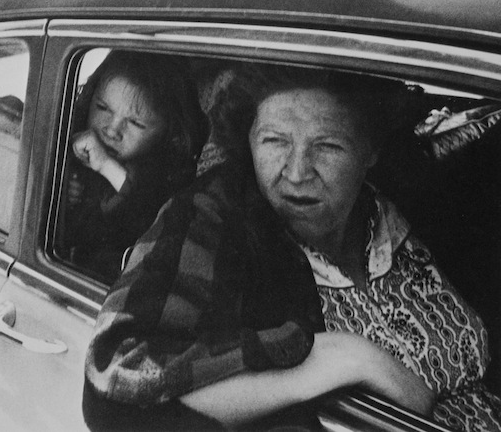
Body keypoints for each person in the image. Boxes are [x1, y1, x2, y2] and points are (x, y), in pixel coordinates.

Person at [83, 64, 501, 430]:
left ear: (371, 151)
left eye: (328, 146)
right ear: (246, 139)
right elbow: (118, 381)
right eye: (274, 141)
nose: (297, 172)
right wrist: (339, 357)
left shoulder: (399, 197)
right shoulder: (216, 215)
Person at [63, 51, 208, 284]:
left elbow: (144, 212)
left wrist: (105, 165)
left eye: (135, 123)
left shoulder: (165, 175)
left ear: (168, 132)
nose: (112, 129)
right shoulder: (69, 138)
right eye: (102, 108)